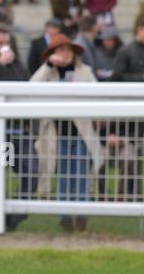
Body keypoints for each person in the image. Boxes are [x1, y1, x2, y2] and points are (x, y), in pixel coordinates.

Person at [30, 35, 101, 233]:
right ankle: (65, 216)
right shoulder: (48, 73)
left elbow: (97, 95)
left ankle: (82, 215)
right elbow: (30, 87)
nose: (65, 54)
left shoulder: (84, 72)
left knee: (81, 176)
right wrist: (47, 66)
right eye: (60, 50)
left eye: (68, 49)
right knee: (62, 176)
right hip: (56, 132)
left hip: (80, 132)